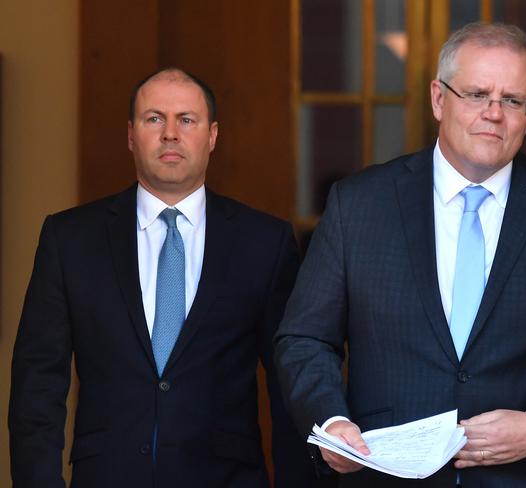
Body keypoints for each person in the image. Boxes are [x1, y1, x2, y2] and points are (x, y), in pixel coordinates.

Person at [274, 22, 526, 487]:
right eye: (476, 94)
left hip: (524, 478)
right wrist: (331, 423)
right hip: (384, 475)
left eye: (513, 100)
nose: (494, 113)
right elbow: (305, 338)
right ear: (438, 99)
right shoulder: (359, 204)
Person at [9, 68, 315, 487]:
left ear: (212, 136)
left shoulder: (265, 242)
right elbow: (36, 386)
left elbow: (290, 385)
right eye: (154, 118)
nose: (170, 133)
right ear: (132, 135)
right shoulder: (70, 239)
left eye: (186, 120)